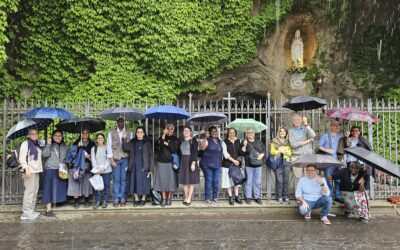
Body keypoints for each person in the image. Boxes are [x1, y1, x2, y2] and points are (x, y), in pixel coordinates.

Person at [122, 126, 154, 207]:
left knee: (144, 182)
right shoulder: (132, 142)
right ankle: (136, 198)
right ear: (136, 133)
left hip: (144, 165)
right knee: (134, 182)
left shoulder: (147, 143)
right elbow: (125, 148)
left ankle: (143, 198)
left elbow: (151, 155)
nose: (139, 133)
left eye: (141, 132)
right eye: (138, 132)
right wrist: (124, 139)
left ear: (143, 133)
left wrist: (151, 168)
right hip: (134, 165)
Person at [41, 130, 68, 217]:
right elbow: (44, 155)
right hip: (50, 168)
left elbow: (67, 157)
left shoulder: (65, 146)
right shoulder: (49, 145)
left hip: (61, 169)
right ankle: (48, 209)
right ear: (52, 137)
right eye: (55, 135)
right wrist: (48, 144)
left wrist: (66, 164)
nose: (57, 137)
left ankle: (57, 202)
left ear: (62, 136)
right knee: (48, 188)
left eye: (59, 135)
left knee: (60, 187)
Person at [107, 117, 132, 207]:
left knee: (123, 179)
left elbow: (130, 147)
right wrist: (111, 160)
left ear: (124, 122)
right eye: (119, 121)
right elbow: (109, 146)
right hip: (116, 159)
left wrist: (125, 139)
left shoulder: (129, 132)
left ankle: (123, 197)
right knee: (116, 179)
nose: (121, 123)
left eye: (122, 121)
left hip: (125, 158)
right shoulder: (111, 132)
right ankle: (116, 198)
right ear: (117, 122)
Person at [67, 129, 95, 208]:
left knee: (86, 182)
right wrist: (78, 147)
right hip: (78, 166)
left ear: (89, 134)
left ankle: (86, 200)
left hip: (87, 165)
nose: (85, 134)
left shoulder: (92, 143)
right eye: (83, 133)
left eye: (87, 133)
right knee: (76, 183)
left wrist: (89, 157)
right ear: (81, 134)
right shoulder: (76, 143)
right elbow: (72, 156)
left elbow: (95, 155)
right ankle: (76, 201)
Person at [19, 128, 43, 220]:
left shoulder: (36, 145)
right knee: (29, 192)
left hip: (36, 171)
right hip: (29, 171)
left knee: (34, 191)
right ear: (28, 135)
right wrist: (26, 169)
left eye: (36, 134)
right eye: (32, 134)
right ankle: (26, 213)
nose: (34, 135)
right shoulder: (25, 144)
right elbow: (22, 158)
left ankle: (31, 210)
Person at [154, 124, 179, 207]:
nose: (170, 130)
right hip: (161, 162)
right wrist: (163, 135)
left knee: (170, 181)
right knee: (162, 181)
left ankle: (169, 198)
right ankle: (164, 198)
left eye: (172, 129)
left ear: (174, 130)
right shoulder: (162, 137)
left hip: (171, 162)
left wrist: (167, 144)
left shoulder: (176, 139)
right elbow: (159, 146)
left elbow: (174, 150)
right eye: (168, 129)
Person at [318, 121, 343, 202]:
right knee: (328, 179)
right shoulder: (325, 136)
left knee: (338, 179)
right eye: (335, 126)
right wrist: (327, 150)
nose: (337, 127)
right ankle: (329, 196)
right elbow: (319, 146)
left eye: (338, 126)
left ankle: (337, 196)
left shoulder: (340, 136)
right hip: (328, 161)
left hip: (338, 161)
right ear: (331, 126)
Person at [241, 128, 265, 205]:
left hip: (258, 165)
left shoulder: (259, 142)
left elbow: (264, 150)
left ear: (254, 134)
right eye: (248, 133)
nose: (250, 134)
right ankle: (248, 197)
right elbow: (242, 154)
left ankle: (257, 197)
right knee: (249, 181)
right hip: (249, 165)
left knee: (257, 182)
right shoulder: (244, 142)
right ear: (246, 134)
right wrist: (244, 146)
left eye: (251, 132)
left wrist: (262, 154)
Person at [199, 126, 223, 205]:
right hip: (207, 164)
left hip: (217, 164)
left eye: (215, 131)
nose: (214, 132)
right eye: (212, 131)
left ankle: (215, 197)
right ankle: (207, 198)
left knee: (216, 182)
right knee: (209, 181)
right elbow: (201, 148)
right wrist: (205, 138)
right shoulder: (207, 140)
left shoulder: (218, 140)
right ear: (209, 132)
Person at [268, 127, 292, 204]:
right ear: (278, 132)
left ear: (286, 133)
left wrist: (285, 152)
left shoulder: (289, 141)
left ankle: (286, 195)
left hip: (286, 161)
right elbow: (272, 151)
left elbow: (291, 152)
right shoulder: (274, 141)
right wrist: (279, 150)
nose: (282, 132)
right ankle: (279, 196)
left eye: (284, 131)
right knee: (279, 180)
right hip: (277, 161)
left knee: (286, 179)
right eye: (280, 131)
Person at [288, 114, 316, 179]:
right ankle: (298, 189)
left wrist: (306, 123)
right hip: (296, 156)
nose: (297, 121)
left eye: (298, 120)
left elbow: (313, 135)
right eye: (295, 120)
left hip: (307, 156)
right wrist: (307, 141)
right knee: (298, 178)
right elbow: (293, 145)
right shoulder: (291, 131)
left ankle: (308, 189)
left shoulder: (305, 128)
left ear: (301, 121)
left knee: (309, 176)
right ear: (292, 121)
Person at [221, 128, 243, 205]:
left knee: (236, 181)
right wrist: (234, 161)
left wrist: (238, 161)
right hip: (227, 165)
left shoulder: (239, 141)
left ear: (235, 133)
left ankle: (237, 196)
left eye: (233, 133)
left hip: (237, 165)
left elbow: (241, 152)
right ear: (228, 134)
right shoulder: (224, 142)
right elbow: (225, 154)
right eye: (230, 133)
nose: (232, 134)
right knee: (228, 182)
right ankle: (230, 197)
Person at [178, 126, 199, 206]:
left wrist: (193, 163)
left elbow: (195, 153)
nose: (186, 132)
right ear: (183, 132)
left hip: (191, 161)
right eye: (184, 131)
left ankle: (189, 198)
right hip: (183, 161)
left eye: (187, 131)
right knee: (184, 181)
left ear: (190, 132)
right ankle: (186, 197)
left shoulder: (193, 141)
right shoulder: (181, 141)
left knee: (191, 181)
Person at [91, 133, 112, 209]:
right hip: (97, 170)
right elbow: (93, 159)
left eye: (101, 138)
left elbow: (109, 158)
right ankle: (97, 201)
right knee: (97, 186)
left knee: (106, 185)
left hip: (106, 170)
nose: (100, 139)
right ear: (96, 139)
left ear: (104, 139)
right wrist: (97, 169)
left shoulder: (107, 147)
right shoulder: (94, 148)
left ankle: (105, 201)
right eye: (98, 138)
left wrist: (104, 168)